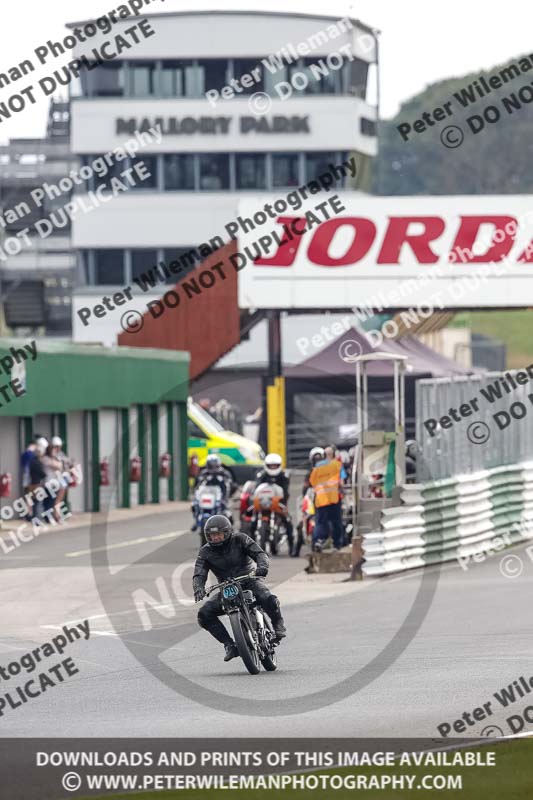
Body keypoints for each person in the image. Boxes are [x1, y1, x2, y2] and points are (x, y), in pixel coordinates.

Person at [193, 515, 286, 661]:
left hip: (249, 580)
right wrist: (198, 587)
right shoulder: (205, 551)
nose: (215, 538)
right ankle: (229, 645)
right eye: (211, 535)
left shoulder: (240, 539)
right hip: (226, 587)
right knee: (204, 614)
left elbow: (260, 554)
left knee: (268, 598)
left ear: (227, 532)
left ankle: (278, 625)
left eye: (218, 534)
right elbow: (199, 572)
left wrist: (262, 566)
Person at [251, 453, 295, 555]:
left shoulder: (284, 476)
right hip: (263, 504)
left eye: (275, 465)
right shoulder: (261, 475)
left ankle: (292, 547)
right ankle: (250, 548)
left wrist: (281, 501)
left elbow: (285, 493)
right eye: (271, 466)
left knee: (288, 522)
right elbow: (256, 490)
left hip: (278, 504)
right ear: (266, 465)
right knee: (252, 523)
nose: (273, 468)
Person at [309, 447, 345, 551]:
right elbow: (341, 481)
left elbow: (312, 482)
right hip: (334, 498)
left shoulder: (317, 468)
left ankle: (318, 541)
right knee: (336, 522)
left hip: (321, 499)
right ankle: (337, 544)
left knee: (321, 522)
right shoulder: (337, 465)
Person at [191, 454, 236, 531]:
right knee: (194, 505)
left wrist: (229, 491)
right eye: (211, 465)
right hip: (207, 496)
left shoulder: (224, 473)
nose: (213, 467)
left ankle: (228, 526)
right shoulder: (204, 473)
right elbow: (197, 484)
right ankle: (196, 520)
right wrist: (196, 491)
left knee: (226, 510)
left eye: (215, 465)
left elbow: (231, 484)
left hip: (220, 497)